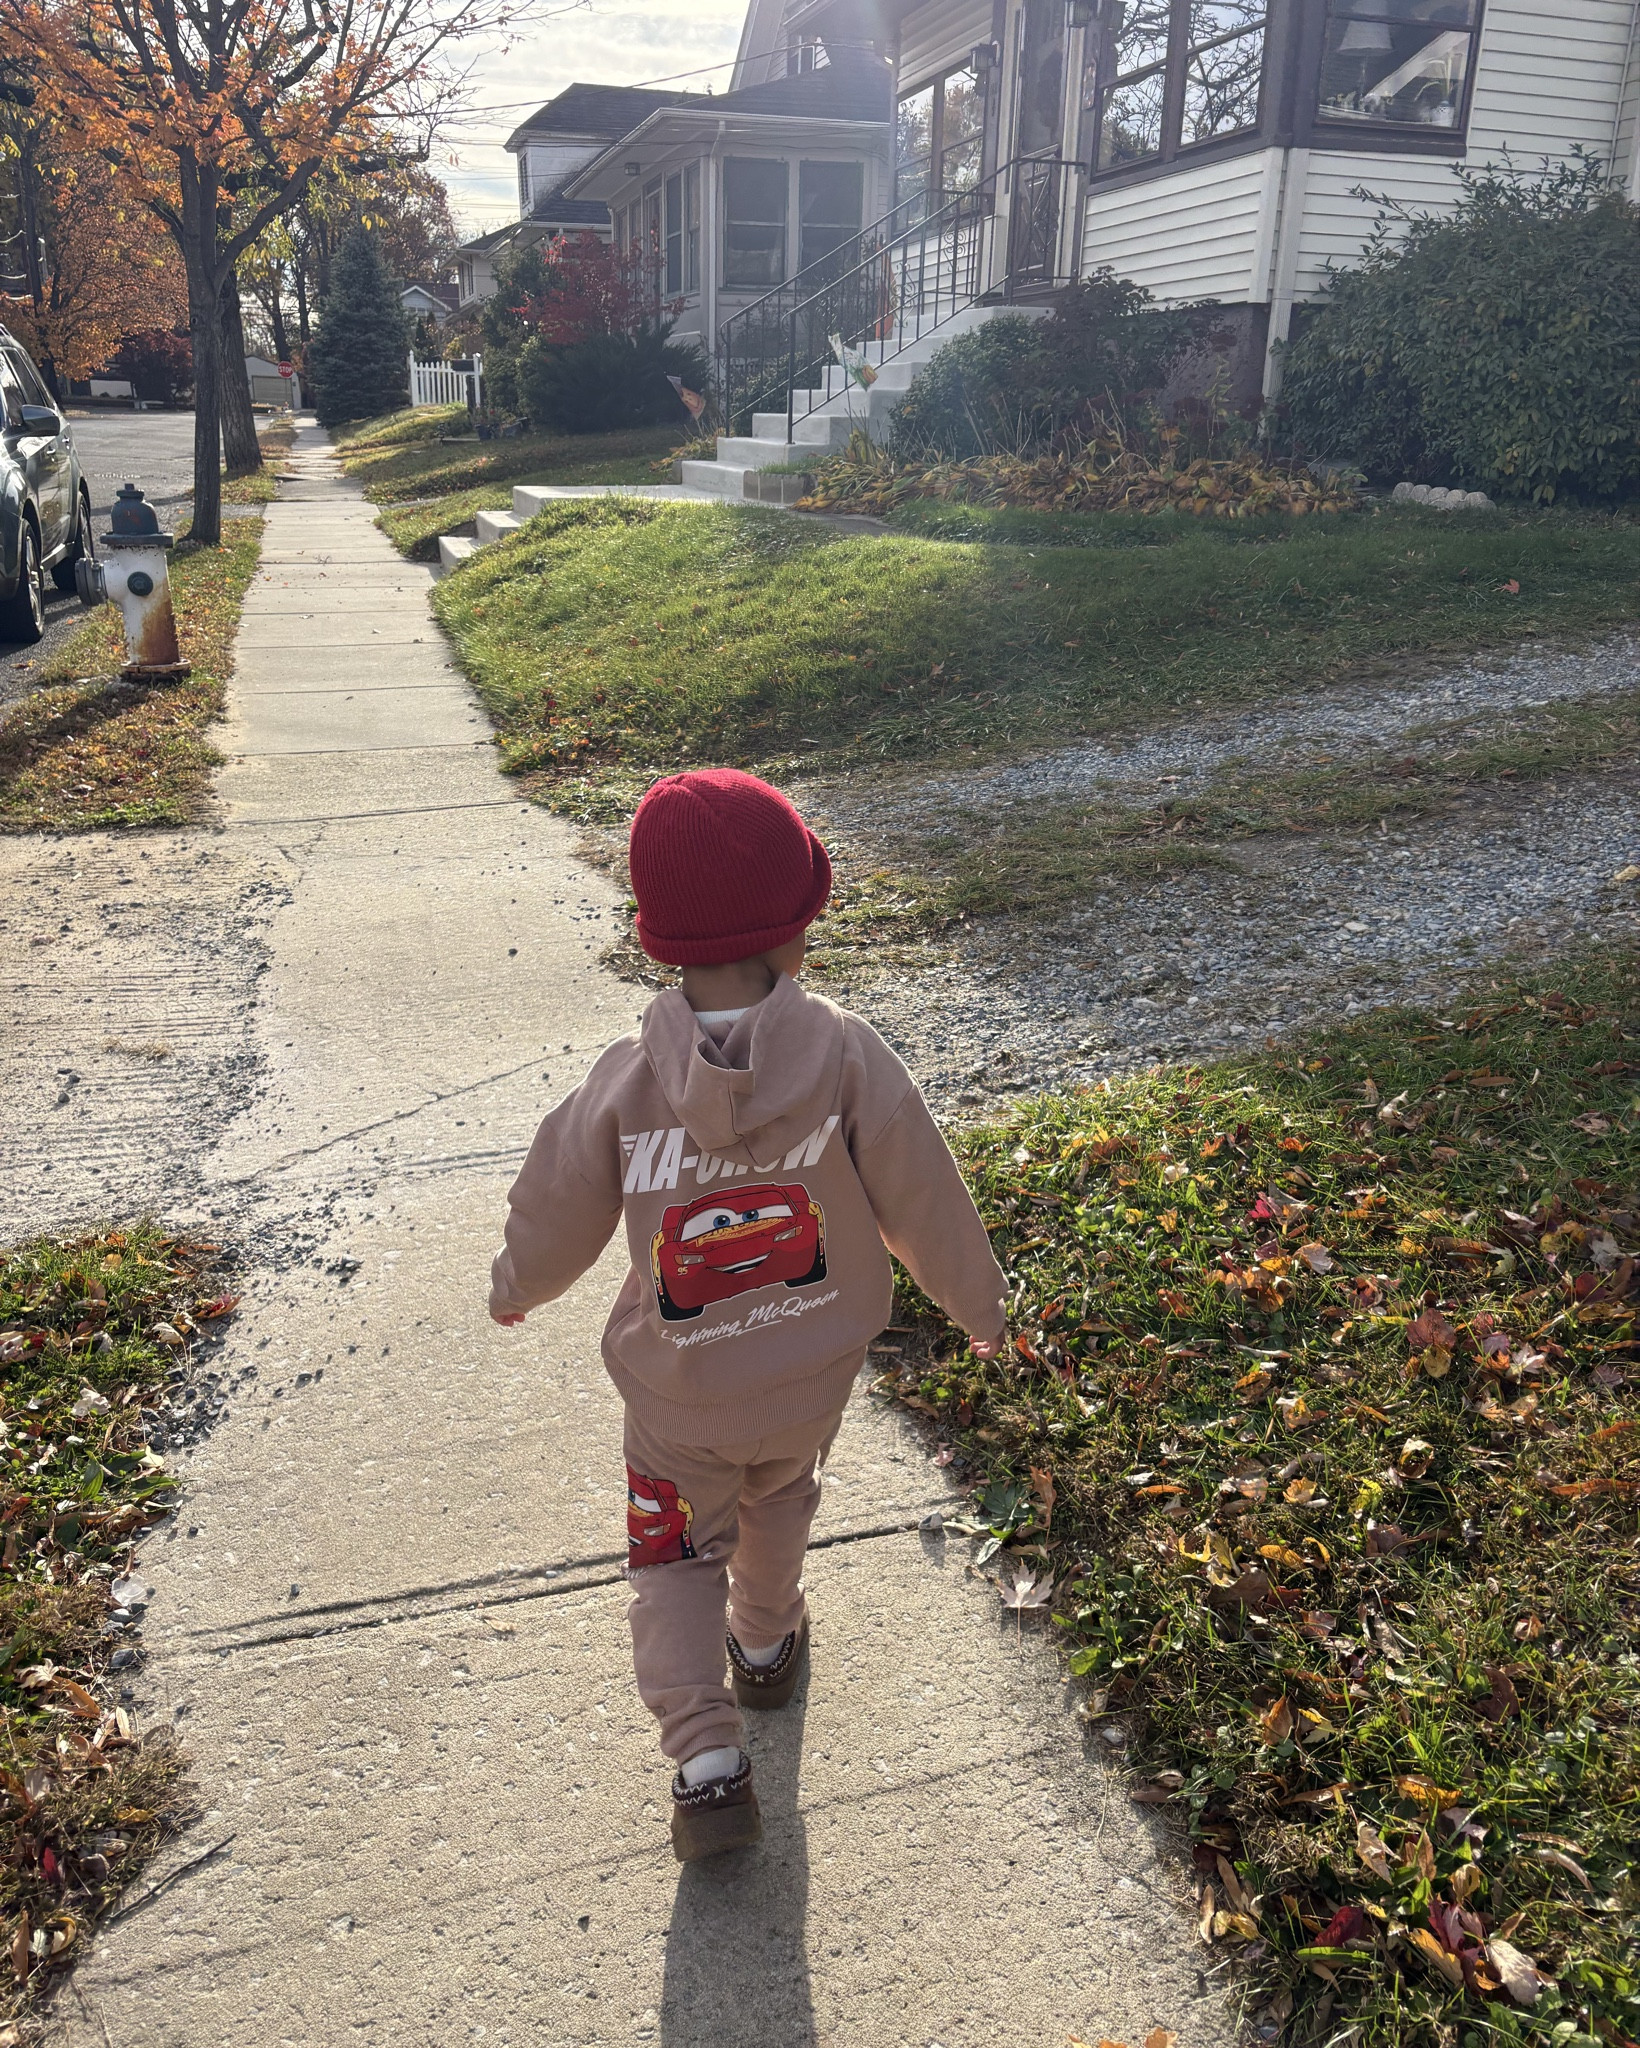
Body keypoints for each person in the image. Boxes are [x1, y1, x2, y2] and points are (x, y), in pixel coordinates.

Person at [489, 769, 1008, 1861]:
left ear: (654, 940)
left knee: (673, 1557)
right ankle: (765, 1645)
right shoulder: (846, 1056)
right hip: (810, 1379)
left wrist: (517, 1285)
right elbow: (921, 1189)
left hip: (678, 1402)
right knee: (781, 1498)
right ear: (799, 930)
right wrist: (978, 1302)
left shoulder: (626, 1083)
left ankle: (707, 1760)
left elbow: (554, 1206)